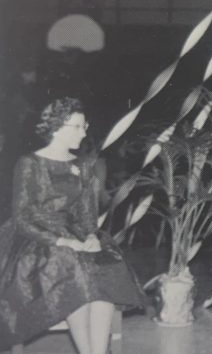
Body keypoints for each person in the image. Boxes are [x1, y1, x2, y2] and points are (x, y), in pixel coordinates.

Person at [0, 97, 145, 354]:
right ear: (56, 127)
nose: (84, 132)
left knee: (106, 265)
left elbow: (87, 214)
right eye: (77, 127)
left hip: (75, 232)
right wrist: (66, 242)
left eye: (85, 126)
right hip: (37, 239)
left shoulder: (84, 165)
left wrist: (90, 237)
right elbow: (22, 217)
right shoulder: (29, 163)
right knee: (71, 265)